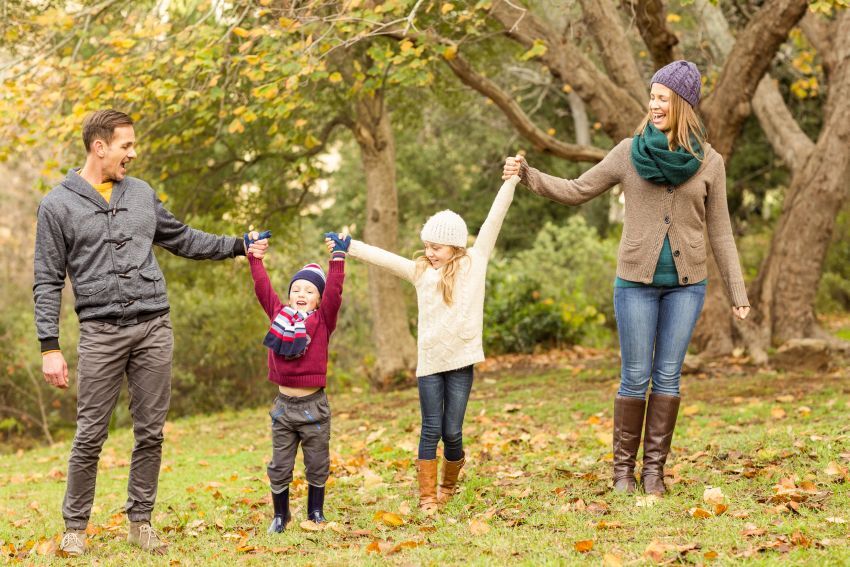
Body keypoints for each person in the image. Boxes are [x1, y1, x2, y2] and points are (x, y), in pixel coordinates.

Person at [503, 61, 750, 496]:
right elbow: (577, 189)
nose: (654, 104)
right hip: (634, 283)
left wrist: (737, 291)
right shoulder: (627, 152)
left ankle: (653, 473)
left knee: (669, 376)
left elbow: (721, 231)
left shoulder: (710, 162)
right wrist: (528, 175)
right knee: (635, 375)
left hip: (687, 286)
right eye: (652, 96)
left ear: (683, 104)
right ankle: (622, 474)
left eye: (663, 98)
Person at [33, 109, 264, 556]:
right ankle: (75, 528)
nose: (133, 154)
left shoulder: (140, 194)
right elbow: (47, 280)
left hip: (154, 325)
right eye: (126, 146)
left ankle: (141, 522)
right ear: (99, 147)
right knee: (90, 434)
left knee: (151, 431)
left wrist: (238, 245)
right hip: (100, 332)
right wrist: (49, 346)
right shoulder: (56, 205)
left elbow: (183, 238)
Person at [341, 172, 519, 513]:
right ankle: (427, 498)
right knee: (430, 429)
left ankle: (449, 483)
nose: (429, 252)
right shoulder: (422, 272)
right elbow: (386, 259)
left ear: (454, 247)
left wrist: (511, 180)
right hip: (430, 365)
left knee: (452, 432)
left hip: (461, 362)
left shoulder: (475, 263)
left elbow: (494, 219)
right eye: (426, 246)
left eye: (435, 247)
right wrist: (351, 247)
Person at [248, 232, 347, 533]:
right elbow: (262, 288)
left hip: (314, 408)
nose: (301, 293)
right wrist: (255, 259)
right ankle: (281, 515)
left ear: (318, 298)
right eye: (296, 289)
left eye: (309, 290)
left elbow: (335, 293)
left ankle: (315, 511)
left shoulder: (322, 321)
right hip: (284, 409)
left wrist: (338, 259)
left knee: (317, 463)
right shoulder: (279, 316)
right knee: (280, 465)